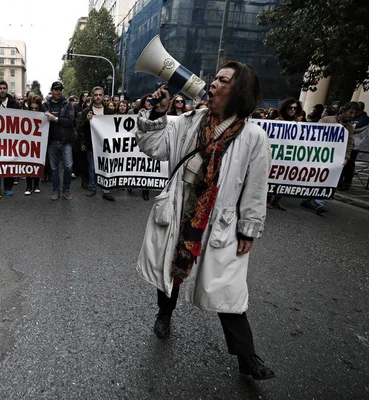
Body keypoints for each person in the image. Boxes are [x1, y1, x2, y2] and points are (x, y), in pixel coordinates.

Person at [136, 61, 274, 380]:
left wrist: (249, 229)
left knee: (228, 289)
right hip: (181, 206)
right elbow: (152, 146)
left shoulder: (254, 136)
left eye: (222, 81)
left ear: (239, 91)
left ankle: (246, 355)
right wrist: (156, 115)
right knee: (172, 268)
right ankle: (164, 314)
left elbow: (256, 188)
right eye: (214, 79)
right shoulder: (190, 120)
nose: (212, 85)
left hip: (220, 218)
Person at [301, 102, 361, 213]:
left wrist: (346, 157)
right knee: (316, 177)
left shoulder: (349, 127)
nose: (352, 115)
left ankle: (318, 202)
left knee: (326, 179)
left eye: (355, 113)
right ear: (343, 110)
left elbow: (349, 143)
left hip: (335, 158)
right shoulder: (327, 120)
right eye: (351, 112)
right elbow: (314, 135)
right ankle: (310, 199)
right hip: (320, 155)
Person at [78, 86, 115, 201]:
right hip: (92, 144)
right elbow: (80, 128)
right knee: (92, 167)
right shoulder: (86, 111)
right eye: (96, 95)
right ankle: (92, 188)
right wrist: (87, 121)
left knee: (106, 166)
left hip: (106, 145)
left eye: (100, 95)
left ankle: (106, 190)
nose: (98, 97)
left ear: (103, 96)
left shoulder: (109, 111)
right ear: (92, 96)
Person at [43, 81, 76, 200]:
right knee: (54, 168)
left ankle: (66, 190)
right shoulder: (46, 104)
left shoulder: (67, 104)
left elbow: (70, 121)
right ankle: (56, 190)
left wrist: (55, 119)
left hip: (65, 141)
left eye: (60, 89)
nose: (58, 91)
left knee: (68, 166)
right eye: (56, 89)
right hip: (52, 141)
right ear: (52, 91)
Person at [25, 96, 44, 195]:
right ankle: (28, 187)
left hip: (39, 142)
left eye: (36, 108)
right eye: (32, 108)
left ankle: (36, 185)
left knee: (37, 163)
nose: (34, 110)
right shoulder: (24, 115)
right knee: (28, 164)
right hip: (28, 143)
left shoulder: (44, 115)